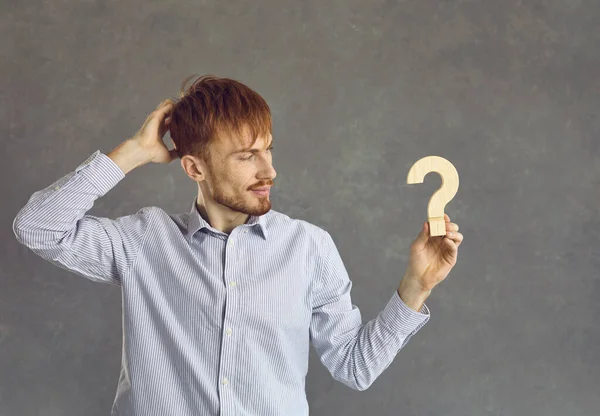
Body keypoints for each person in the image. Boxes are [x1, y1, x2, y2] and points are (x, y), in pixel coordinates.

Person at [12, 75, 463, 416]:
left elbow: (355, 367)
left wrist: (416, 286)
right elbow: (38, 227)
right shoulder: (143, 242)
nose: (268, 171)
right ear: (194, 168)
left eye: (267, 150)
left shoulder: (308, 248)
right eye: (246, 156)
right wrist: (133, 151)